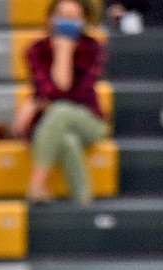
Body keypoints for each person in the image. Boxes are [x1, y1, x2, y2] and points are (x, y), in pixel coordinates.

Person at [14, 0, 108, 205]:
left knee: (61, 110)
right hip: (52, 123)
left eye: (74, 18)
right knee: (66, 141)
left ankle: (37, 183)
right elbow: (45, 89)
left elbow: (75, 95)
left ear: (84, 21)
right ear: (50, 19)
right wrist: (61, 53)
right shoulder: (36, 50)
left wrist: (64, 53)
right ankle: (83, 200)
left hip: (89, 121)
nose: (67, 23)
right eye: (62, 16)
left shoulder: (93, 48)